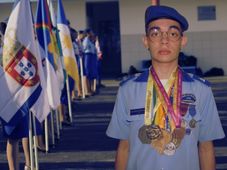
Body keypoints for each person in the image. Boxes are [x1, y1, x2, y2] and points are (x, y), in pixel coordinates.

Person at [106, 5, 225, 170]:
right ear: (146, 41)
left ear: (182, 41)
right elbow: (124, 147)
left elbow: (205, 148)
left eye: (173, 34)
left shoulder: (201, 90)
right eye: (155, 33)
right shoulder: (128, 90)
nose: (164, 40)